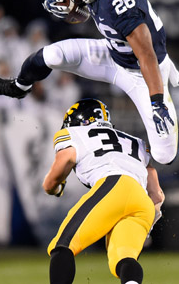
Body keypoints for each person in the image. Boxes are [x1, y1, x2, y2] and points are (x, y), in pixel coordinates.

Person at [0, 0, 179, 165]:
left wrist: (157, 103)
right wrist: (72, 9)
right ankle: (18, 87)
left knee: (165, 155)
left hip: (144, 72)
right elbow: (90, 15)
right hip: (113, 53)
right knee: (50, 56)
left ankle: (177, 138)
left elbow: (147, 55)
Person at [44, 98, 164, 284]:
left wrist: (53, 187)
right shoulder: (135, 141)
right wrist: (149, 219)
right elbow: (156, 193)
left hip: (113, 185)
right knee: (124, 259)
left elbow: (64, 160)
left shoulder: (74, 132)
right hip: (142, 201)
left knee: (63, 245)